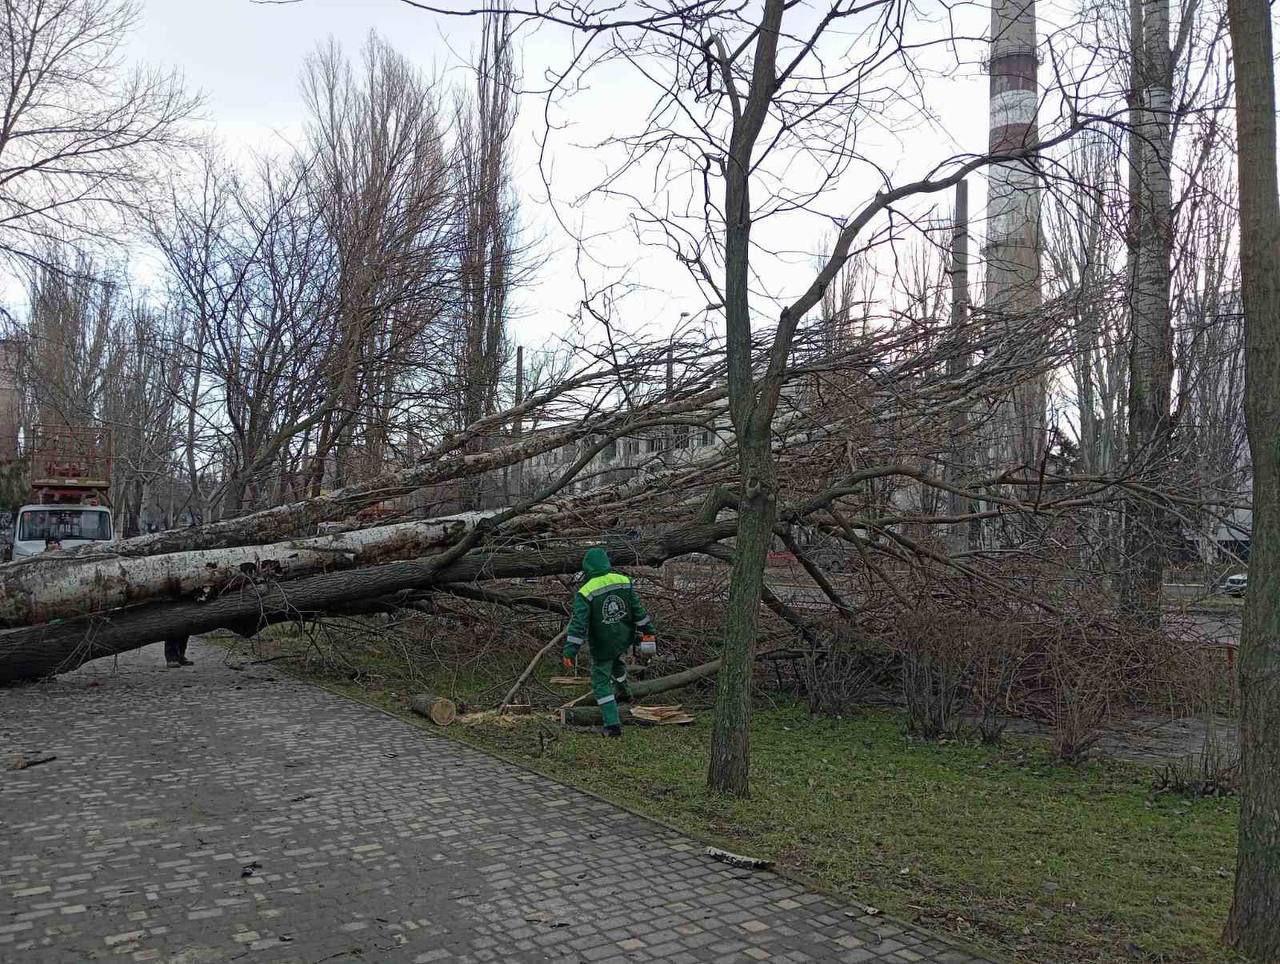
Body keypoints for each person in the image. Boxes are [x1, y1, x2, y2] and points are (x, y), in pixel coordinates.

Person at [562, 547, 654, 737]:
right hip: (623, 638)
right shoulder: (623, 581)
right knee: (617, 662)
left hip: (603, 644)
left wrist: (570, 651)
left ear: (587, 568)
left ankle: (612, 725)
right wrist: (648, 631)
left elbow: (579, 625)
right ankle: (624, 692)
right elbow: (638, 611)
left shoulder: (585, 592)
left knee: (600, 682)